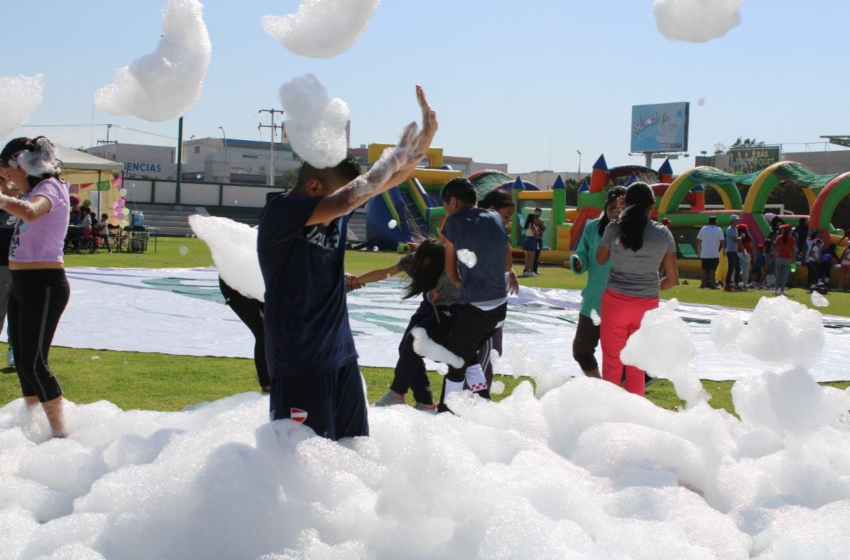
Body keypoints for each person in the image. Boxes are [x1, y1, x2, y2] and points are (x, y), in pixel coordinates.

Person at [257, 85, 437, 440]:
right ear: (312, 188)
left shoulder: (330, 208)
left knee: (354, 450)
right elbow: (346, 199)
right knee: (300, 464)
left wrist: (420, 146)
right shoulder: (282, 211)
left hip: (340, 355)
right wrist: (387, 162)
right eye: (345, 193)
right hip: (299, 360)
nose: (353, 201)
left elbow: (386, 181)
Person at [0, 136, 72, 438]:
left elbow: (31, 212)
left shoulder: (50, 189)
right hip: (22, 284)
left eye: (8, 172)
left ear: (25, 165)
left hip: (44, 285)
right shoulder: (32, 189)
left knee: (33, 361)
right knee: (24, 364)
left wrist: (3, 198)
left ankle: (60, 433)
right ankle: (34, 425)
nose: (8, 179)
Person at [428, 178, 510, 412]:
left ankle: (447, 413)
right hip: (499, 306)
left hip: (476, 306)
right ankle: (483, 404)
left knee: (456, 362)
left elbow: (450, 270)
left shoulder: (453, 222)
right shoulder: (495, 217)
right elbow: (506, 265)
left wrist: (461, 286)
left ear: (452, 202)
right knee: (470, 356)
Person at [596, 182, 678, 396]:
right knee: (637, 366)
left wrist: (616, 220)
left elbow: (600, 259)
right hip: (646, 304)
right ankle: (635, 420)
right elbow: (673, 279)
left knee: (612, 363)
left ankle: (608, 417)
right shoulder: (663, 234)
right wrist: (650, 289)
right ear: (652, 205)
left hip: (615, 301)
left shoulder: (614, 228)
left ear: (625, 202)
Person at [569, 186, 626, 379]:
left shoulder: (634, 231)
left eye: (620, 208)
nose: (615, 212)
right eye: (611, 208)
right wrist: (578, 260)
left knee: (620, 355)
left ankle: (629, 390)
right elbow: (583, 254)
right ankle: (598, 387)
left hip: (622, 303)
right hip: (594, 301)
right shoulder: (593, 227)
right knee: (581, 350)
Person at [219, 277, 270, 393]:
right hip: (235, 284)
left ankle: (272, 373)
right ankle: (266, 383)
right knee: (263, 332)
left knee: (277, 328)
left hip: (256, 282)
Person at [0, 177, 15, 368]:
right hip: (2, 262)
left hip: (16, 259)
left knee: (16, 306)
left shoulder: (14, 197)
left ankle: (14, 348)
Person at [696, 215, 724, 289]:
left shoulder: (703, 228)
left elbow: (698, 239)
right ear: (715, 222)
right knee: (712, 270)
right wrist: (724, 249)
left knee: (704, 270)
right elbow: (722, 241)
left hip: (704, 253)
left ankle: (702, 284)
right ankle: (712, 284)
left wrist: (698, 249)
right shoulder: (718, 229)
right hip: (714, 253)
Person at [774, 224, 796, 296]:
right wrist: (793, 260)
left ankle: (776, 289)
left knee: (778, 275)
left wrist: (776, 257)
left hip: (779, 257)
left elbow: (776, 248)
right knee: (784, 275)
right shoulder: (792, 239)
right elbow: (793, 250)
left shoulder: (779, 237)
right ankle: (782, 290)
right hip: (787, 258)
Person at [723, 214, 742, 291]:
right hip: (731, 251)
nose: (738, 221)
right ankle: (727, 284)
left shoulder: (735, 229)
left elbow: (736, 239)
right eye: (736, 220)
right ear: (732, 221)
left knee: (738, 268)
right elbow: (735, 239)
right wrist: (741, 237)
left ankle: (736, 284)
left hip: (734, 251)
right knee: (731, 268)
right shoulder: (730, 229)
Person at [521, 211, 540, 277]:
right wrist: (537, 230)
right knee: (532, 257)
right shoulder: (533, 225)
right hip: (532, 240)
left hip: (527, 239)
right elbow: (536, 234)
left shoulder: (527, 225)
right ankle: (531, 271)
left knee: (527, 257)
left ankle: (526, 271)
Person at [738, 224, 753, 290]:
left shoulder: (737, 237)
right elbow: (751, 247)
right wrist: (754, 255)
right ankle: (745, 284)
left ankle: (736, 283)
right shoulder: (749, 238)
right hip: (747, 254)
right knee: (746, 270)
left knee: (736, 269)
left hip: (738, 253)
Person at [532, 208, 545, 275]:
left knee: (537, 256)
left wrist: (540, 223)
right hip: (532, 239)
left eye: (539, 213)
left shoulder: (541, 220)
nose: (538, 214)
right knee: (532, 256)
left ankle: (535, 270)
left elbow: (544, 229)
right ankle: (529, 270)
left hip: (539, 240)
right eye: (537, 212)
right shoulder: (531, 219)